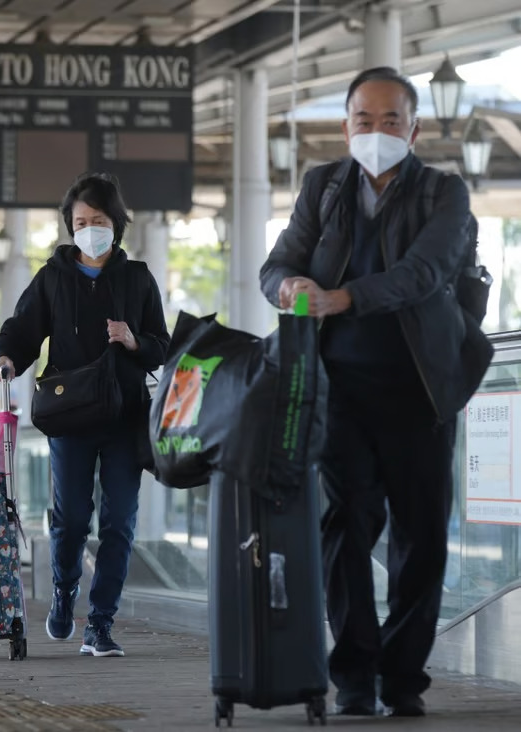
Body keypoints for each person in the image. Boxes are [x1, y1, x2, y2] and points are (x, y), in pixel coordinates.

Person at [259, 67, 493, 718]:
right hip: (338, 389)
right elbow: (277, 263)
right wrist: (286, 289)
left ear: (414, 128)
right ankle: (355, 674)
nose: (377, 131)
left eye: (392, 120)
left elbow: (425, 272)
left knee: (421, 537)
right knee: (344, 527)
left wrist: (344, 297)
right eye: (365, 119)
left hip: (421, 390)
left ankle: (403, 676)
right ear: (346, 127)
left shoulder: (444, 194)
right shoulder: (323, 187)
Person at [0, 172, 170, 657]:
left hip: (124, 416)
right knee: (71, 520)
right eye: (81, 221)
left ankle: (101, 623)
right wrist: (6, 358)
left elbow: (162, 346)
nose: (90, 229)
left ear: (117, 223)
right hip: (69, 416)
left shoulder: (138, 279)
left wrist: (134, 340)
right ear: (70, 227)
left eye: (99, 220)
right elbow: (22, 330)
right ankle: (65, 591)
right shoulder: (53, 277)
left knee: (119, 522)